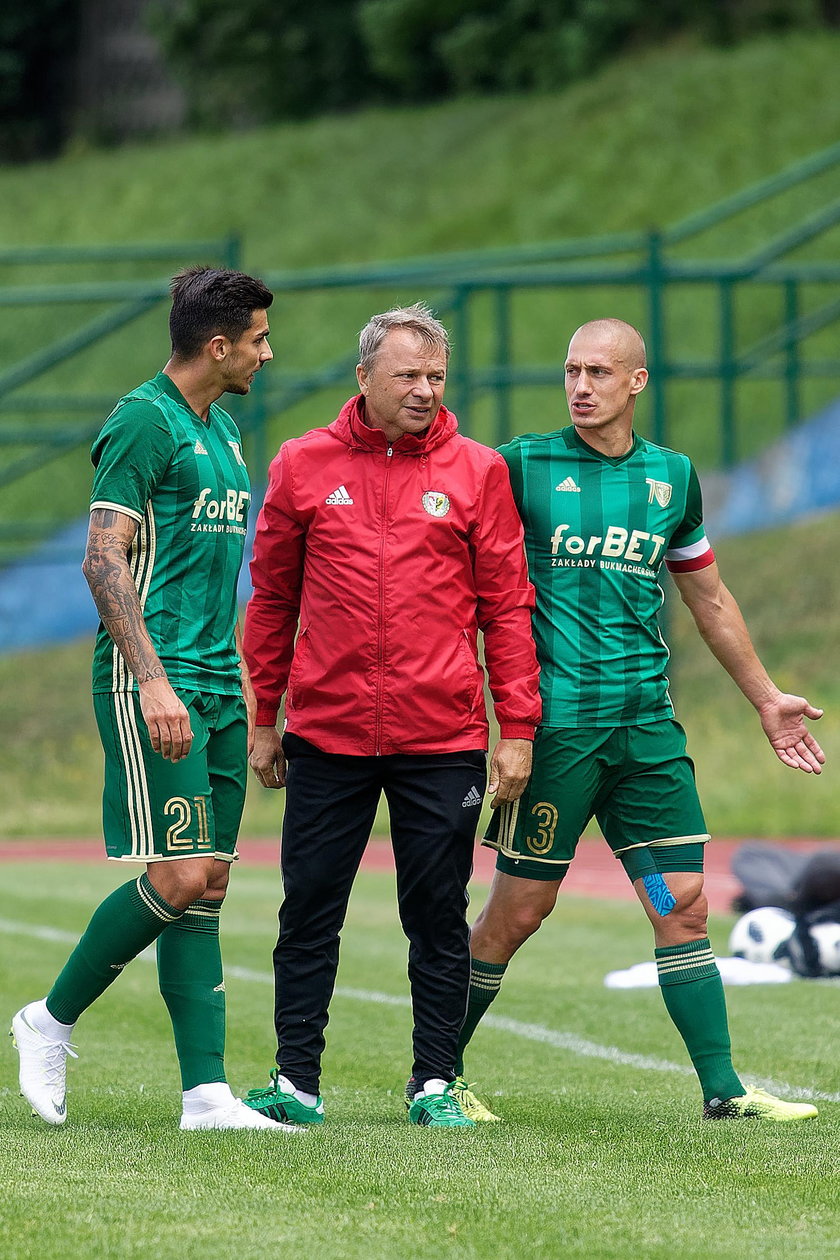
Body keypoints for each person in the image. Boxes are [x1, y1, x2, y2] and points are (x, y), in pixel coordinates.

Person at [455, 317, 825, 1123]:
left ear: (636, 382)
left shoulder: (672, 480)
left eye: (598, 371)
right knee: (519, 913)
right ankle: (437, 1078)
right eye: (570, 370)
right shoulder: (521, 464)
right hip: (558, 737)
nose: (581, 386)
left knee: (678, 900)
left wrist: (767, 699)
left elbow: (710, 600)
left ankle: (724, 1092)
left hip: (646, 736)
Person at [11, 267, 302, 1133]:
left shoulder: (223, 430)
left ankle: (205, 1095)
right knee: (178, 874)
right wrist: (152, 681)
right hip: (158, 681)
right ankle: (47, 1021)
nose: (267, 351)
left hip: (216, 680)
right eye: (257, 338)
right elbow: (103, 561)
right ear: (218, 346)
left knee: (206, 883)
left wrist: (251, 702)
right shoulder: (143, 421)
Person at [240, 303, 541, 1128]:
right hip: (328, 734)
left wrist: (517, 729)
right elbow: (273, 599)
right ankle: (295, 1083)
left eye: (436, 376)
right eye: (408, 374)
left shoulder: (479, 470)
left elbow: (508, 607)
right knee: (308, 908)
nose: (424, 390)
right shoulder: (302, 464)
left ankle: (434, 1083)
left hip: (441, 737)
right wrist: (265, 717)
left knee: (438, 914)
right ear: (364, 376)